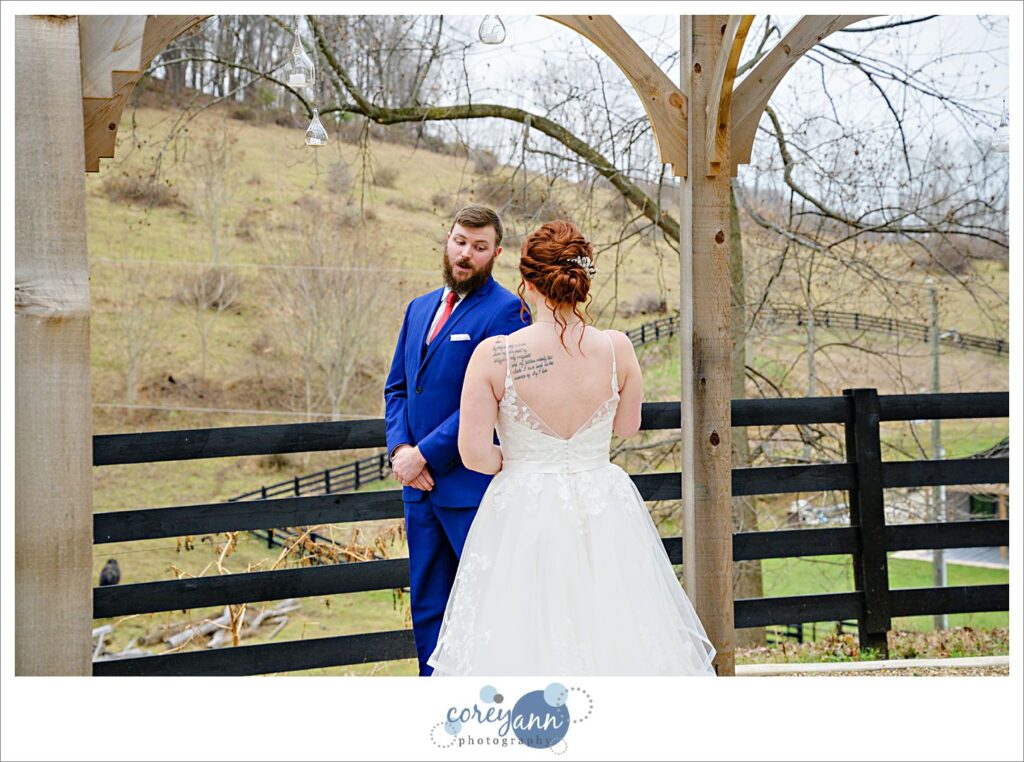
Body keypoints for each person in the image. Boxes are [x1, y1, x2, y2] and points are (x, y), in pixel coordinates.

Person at [426, 220, 717, 676]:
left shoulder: (497, 354)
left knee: (521, 632)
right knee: (617, 627)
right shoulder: (618, 348)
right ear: (582, 281)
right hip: (604, 506)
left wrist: (522, 460)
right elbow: (626, 428)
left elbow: (474, 454)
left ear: (525, 284)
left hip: (523, 507)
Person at [384, 204, 530, 676]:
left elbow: (491, 399)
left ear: (496, 253)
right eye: (460, 242)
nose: (466, 254)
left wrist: (425, 453)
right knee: (427, 605)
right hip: (418, 487)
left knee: (484, 602)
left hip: (470, 490)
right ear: (447, 241)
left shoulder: (508, 311)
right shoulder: (418, 307)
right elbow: (399, 388)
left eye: (479, 247)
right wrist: (401, 450)